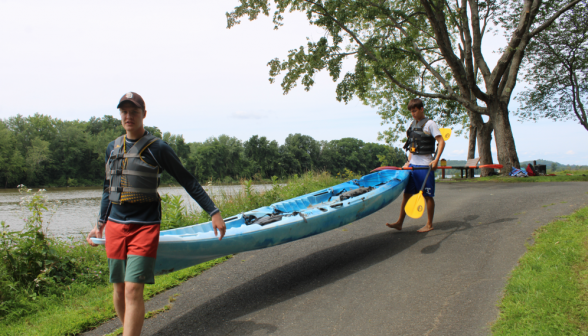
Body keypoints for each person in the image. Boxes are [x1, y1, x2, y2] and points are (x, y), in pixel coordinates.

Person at [86, 92, 226, 336]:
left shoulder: (158, 148)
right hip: (116, 226)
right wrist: (100, 224)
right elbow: (108, 190)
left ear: (144, 114)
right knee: (118, 289)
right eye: (124, 112)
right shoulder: (112, 148)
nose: (128, 116)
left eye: (134, 112)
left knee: (132, 289)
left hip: (144, 226)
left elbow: (188, 181)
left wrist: (213, 212)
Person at [386, 98, 445, 233]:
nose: (413, 114)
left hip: (425, 167)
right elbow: (412, 146)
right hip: (413, 167)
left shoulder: (430, 124)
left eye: (415, 111)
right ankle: (400, 222)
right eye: (411, 112)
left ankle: (429, 224)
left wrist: (435, 160)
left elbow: (441, 142)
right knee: (407, 195)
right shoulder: (413, 124)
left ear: (421, 109)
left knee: (427, 196)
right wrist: (408, 161)